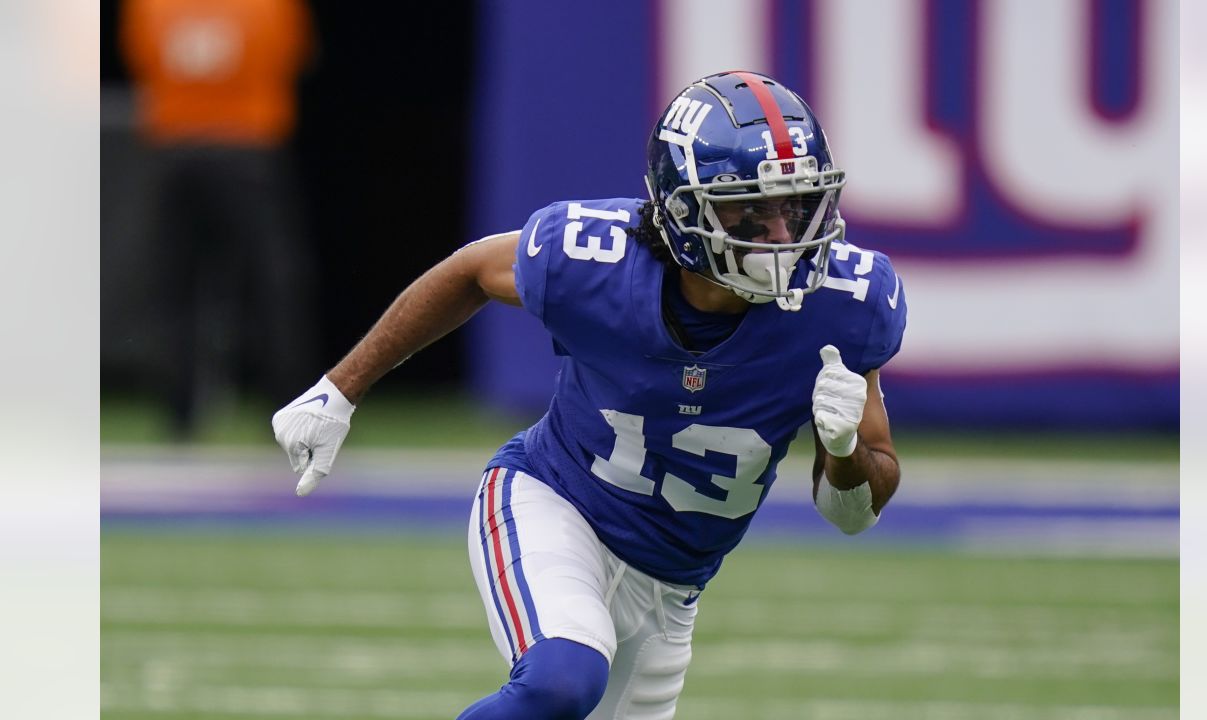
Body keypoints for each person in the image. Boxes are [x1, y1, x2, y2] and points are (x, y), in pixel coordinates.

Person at [272, 71, 907, 720]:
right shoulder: (596, 259)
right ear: (684, 211)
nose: (781, 236)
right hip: (558, 504)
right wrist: (339, 391)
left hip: (672, 590)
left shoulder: (843, 307)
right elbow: (470, 272)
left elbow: (852, 513)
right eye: (750, 210)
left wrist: (844, 447)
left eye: (796, 205)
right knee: (561, 680)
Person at [122, 0, 316, 438]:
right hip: (248, 144)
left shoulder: (152, 7)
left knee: (175, 283)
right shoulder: (270, 7)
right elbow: (292, 57)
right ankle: (289, 407)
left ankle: (180, 412)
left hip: (175, 146)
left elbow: (141, 59)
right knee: (271, 282)